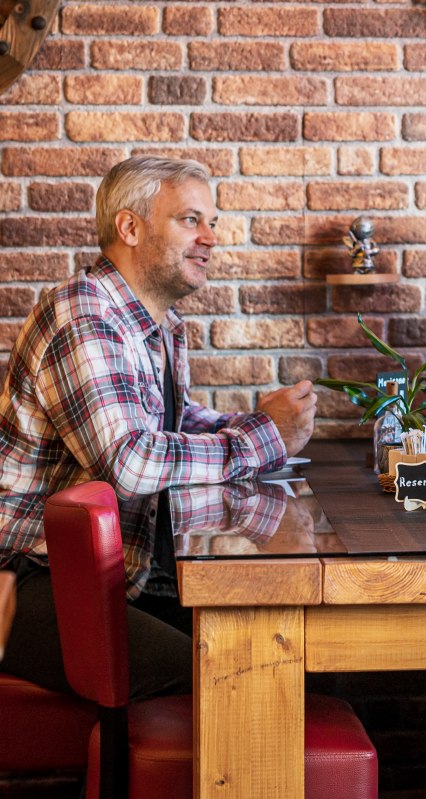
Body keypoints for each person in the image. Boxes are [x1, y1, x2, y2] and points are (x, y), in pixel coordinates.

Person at [0, 155, 317, 702]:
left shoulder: (158, 323)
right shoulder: (84, 316)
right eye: (191, 220)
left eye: (212, 223)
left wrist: (262, 425)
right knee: (238, 678)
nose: (212, 238)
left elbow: (177, 420)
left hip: (112, 574)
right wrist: (263, 438)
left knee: (289, 651)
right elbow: (130, 461)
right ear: (130, 227)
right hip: (25, 580)